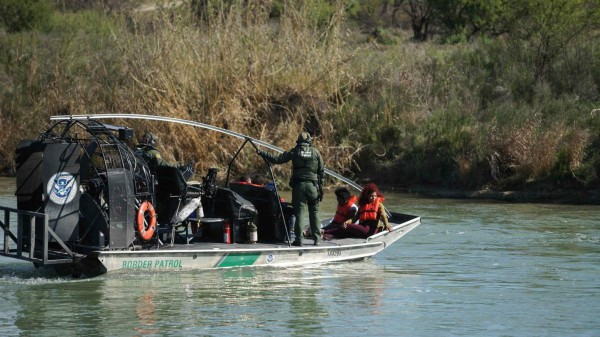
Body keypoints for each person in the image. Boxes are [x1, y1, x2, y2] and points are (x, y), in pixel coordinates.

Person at [257, 131, 324, 246]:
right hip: (313, 187)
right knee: (315, 212)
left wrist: (262, 153)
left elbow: (277, 159)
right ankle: (317, 239)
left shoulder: (294, 151)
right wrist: (320, 189)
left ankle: (299, 239)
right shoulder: (316, 152)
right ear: (309, 141)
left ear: (298, 141)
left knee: (300, 213)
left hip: (299, 187)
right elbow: (321, 172)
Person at [324, 183, 393, 239]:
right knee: (345, 229)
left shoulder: (379, 205)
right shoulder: (362, 206)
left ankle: (324, 232)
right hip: (362, 227)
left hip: (370, 230)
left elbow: (383, 215)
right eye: (371, 196)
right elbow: (354, 219)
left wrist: (387, 225)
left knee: (348, 226)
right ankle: (326, 234)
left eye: (375, 196)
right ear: (367, 196)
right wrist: (347, 222)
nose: (374, 198)